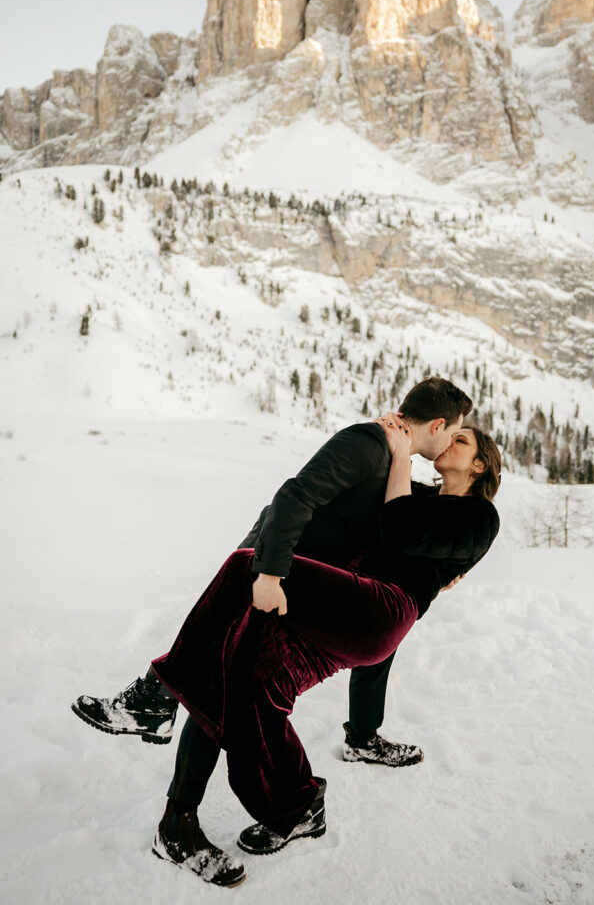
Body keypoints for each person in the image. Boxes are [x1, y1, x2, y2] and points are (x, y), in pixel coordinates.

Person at [147, 419, 501, 886]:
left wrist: (399, 454)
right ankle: (288, 808)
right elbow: (357, 506)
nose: (449, 441)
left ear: (479, 464)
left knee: (246, 570)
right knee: (241, 680)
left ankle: (153, 696)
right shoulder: (418, 494)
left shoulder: (479, 517)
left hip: (381, 609)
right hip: (335, 610)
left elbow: (397, 528)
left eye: (461, 440)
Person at [72, 377, 471, 766]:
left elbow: (413, 516)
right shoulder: (367, 442)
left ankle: (160, 734)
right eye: (454, 432)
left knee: (224, 672)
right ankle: (156, 714)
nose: (452, 441)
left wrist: (444, 565)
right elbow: (294, 496)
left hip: (295, 578)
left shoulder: (394, 459)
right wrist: (269, 574)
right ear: (438, 425)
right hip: (275, 568)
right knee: (218, 666)